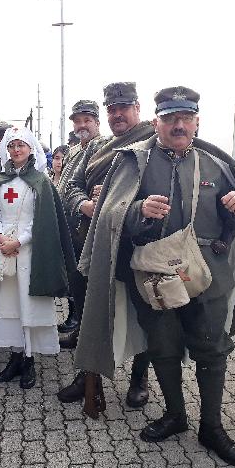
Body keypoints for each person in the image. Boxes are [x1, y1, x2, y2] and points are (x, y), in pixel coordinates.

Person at [75, 86, 235, 468]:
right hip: (152, 275)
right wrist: (137, 211)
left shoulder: (216, 165)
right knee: (162, 348)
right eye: (170, 118)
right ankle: (175, 414)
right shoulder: (133, 162)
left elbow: (233, 225)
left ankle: (213, 426)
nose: (179, 125)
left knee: (212, 350)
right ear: (157, 122)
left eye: (186, 118)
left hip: (207, 275)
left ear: (197, 121)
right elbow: (109, 216)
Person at [59, 82, 155, 410]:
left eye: (123, 108)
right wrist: (86, 204)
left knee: (143, 314)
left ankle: (140, 378)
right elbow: (70, 184)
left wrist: (118, 202)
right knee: (93, 313)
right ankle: (87, 375)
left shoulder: (153, 142)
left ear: (137, 108)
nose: (117, 115)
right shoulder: (95, 149)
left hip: (136, 243)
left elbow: (159, 193)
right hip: (95, 243)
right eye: (111, 109)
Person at [0, 127, 76, 389]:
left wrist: (19, 241)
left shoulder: (41, 182)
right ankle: (16, 357)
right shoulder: (0, 181)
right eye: (12, 145)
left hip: (30, 255)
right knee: (10, 307)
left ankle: (28, 361)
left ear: (30, 149)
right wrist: (1, 237)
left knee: (27, 306)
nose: (16, 150)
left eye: (21, 145)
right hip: (4, 252)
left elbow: (42, 220)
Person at [56, 101, 102, 342]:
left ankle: (85, 337)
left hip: (86, 231)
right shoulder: (75, 151)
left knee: (87, 287)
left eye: (87, 120)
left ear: (97, 122)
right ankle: (79, 331)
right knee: (75, 283)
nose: (81, 125)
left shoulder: (102, 148)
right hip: (71, 232)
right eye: (77, 120)